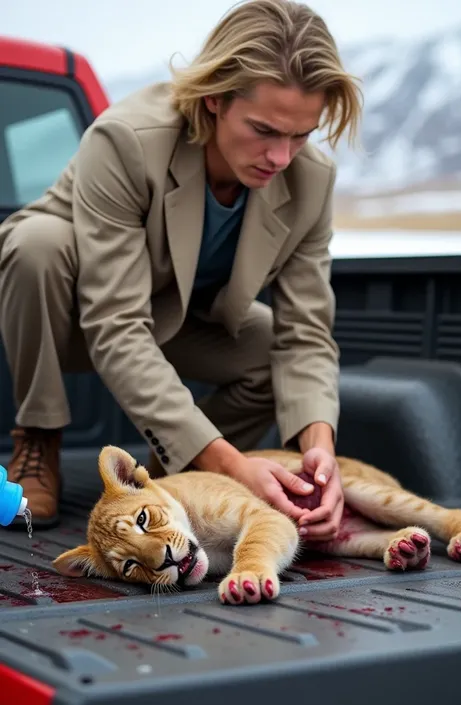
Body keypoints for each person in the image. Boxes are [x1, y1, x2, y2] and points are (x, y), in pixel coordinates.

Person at [0, 0, 362, 535]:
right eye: (264, 129)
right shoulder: (127, 140)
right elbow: (117, 323)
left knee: (271, 354)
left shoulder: (311, 178)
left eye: (301, 135)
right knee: (36, 242)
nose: (282, 157)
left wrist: (319, 449)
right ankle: (38, 436)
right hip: (74, 315)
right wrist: (237, 466)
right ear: (215, 97)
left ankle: (177, 466)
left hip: (178, 317)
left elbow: (305, 334)